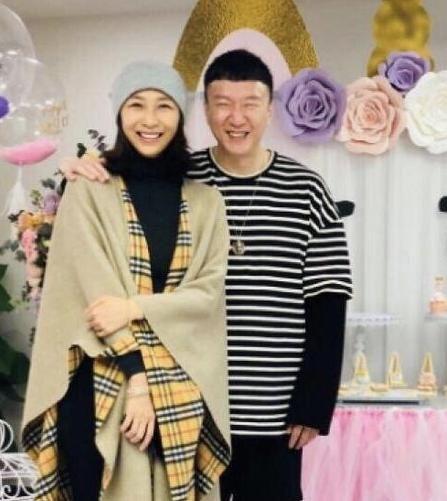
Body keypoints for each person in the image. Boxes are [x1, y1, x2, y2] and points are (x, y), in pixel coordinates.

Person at [60, 49, 353, 501]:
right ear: (204, 111)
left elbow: (328, 300)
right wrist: (78, 169)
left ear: (269, 110)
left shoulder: (307, 188)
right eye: (222, 103)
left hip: (274, 409)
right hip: (188, 398)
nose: (236, 117)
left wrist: (313, 404)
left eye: (250, 103)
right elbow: (120, 223)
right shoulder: (180, 177)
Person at [22, 61, 231, 501]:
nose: (150, 119)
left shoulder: (207, 201)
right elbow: (96, 295)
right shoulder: (88, 188)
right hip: (97, 381)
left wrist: (135, 307)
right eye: (136, 104)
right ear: (119, 112)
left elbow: (206, 295)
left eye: (164, 106)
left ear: (181, 116)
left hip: (178, 388)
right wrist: (138, 380)